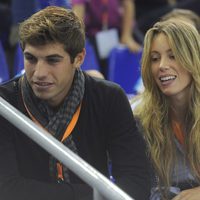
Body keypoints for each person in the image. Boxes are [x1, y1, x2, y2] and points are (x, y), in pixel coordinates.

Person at [0, 6, 151, 200]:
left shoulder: (108, 98)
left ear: (79, 58)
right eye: (31, 59)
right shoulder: (5, 104)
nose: (39, 73)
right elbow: (8, 190)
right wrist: (96, 193)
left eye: (52, 60)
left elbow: (136, 182)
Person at [132, 19, 200, 200]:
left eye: (172, 55)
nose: (161, 66)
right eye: (155, 59)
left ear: (192, 58)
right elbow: (142, 188)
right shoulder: (140, 119)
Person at [71, 0, 142, 77]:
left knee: (142, 52)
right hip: (92, 34)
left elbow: (128, 4)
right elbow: (78, 19)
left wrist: (127, 35)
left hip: (120, 29)